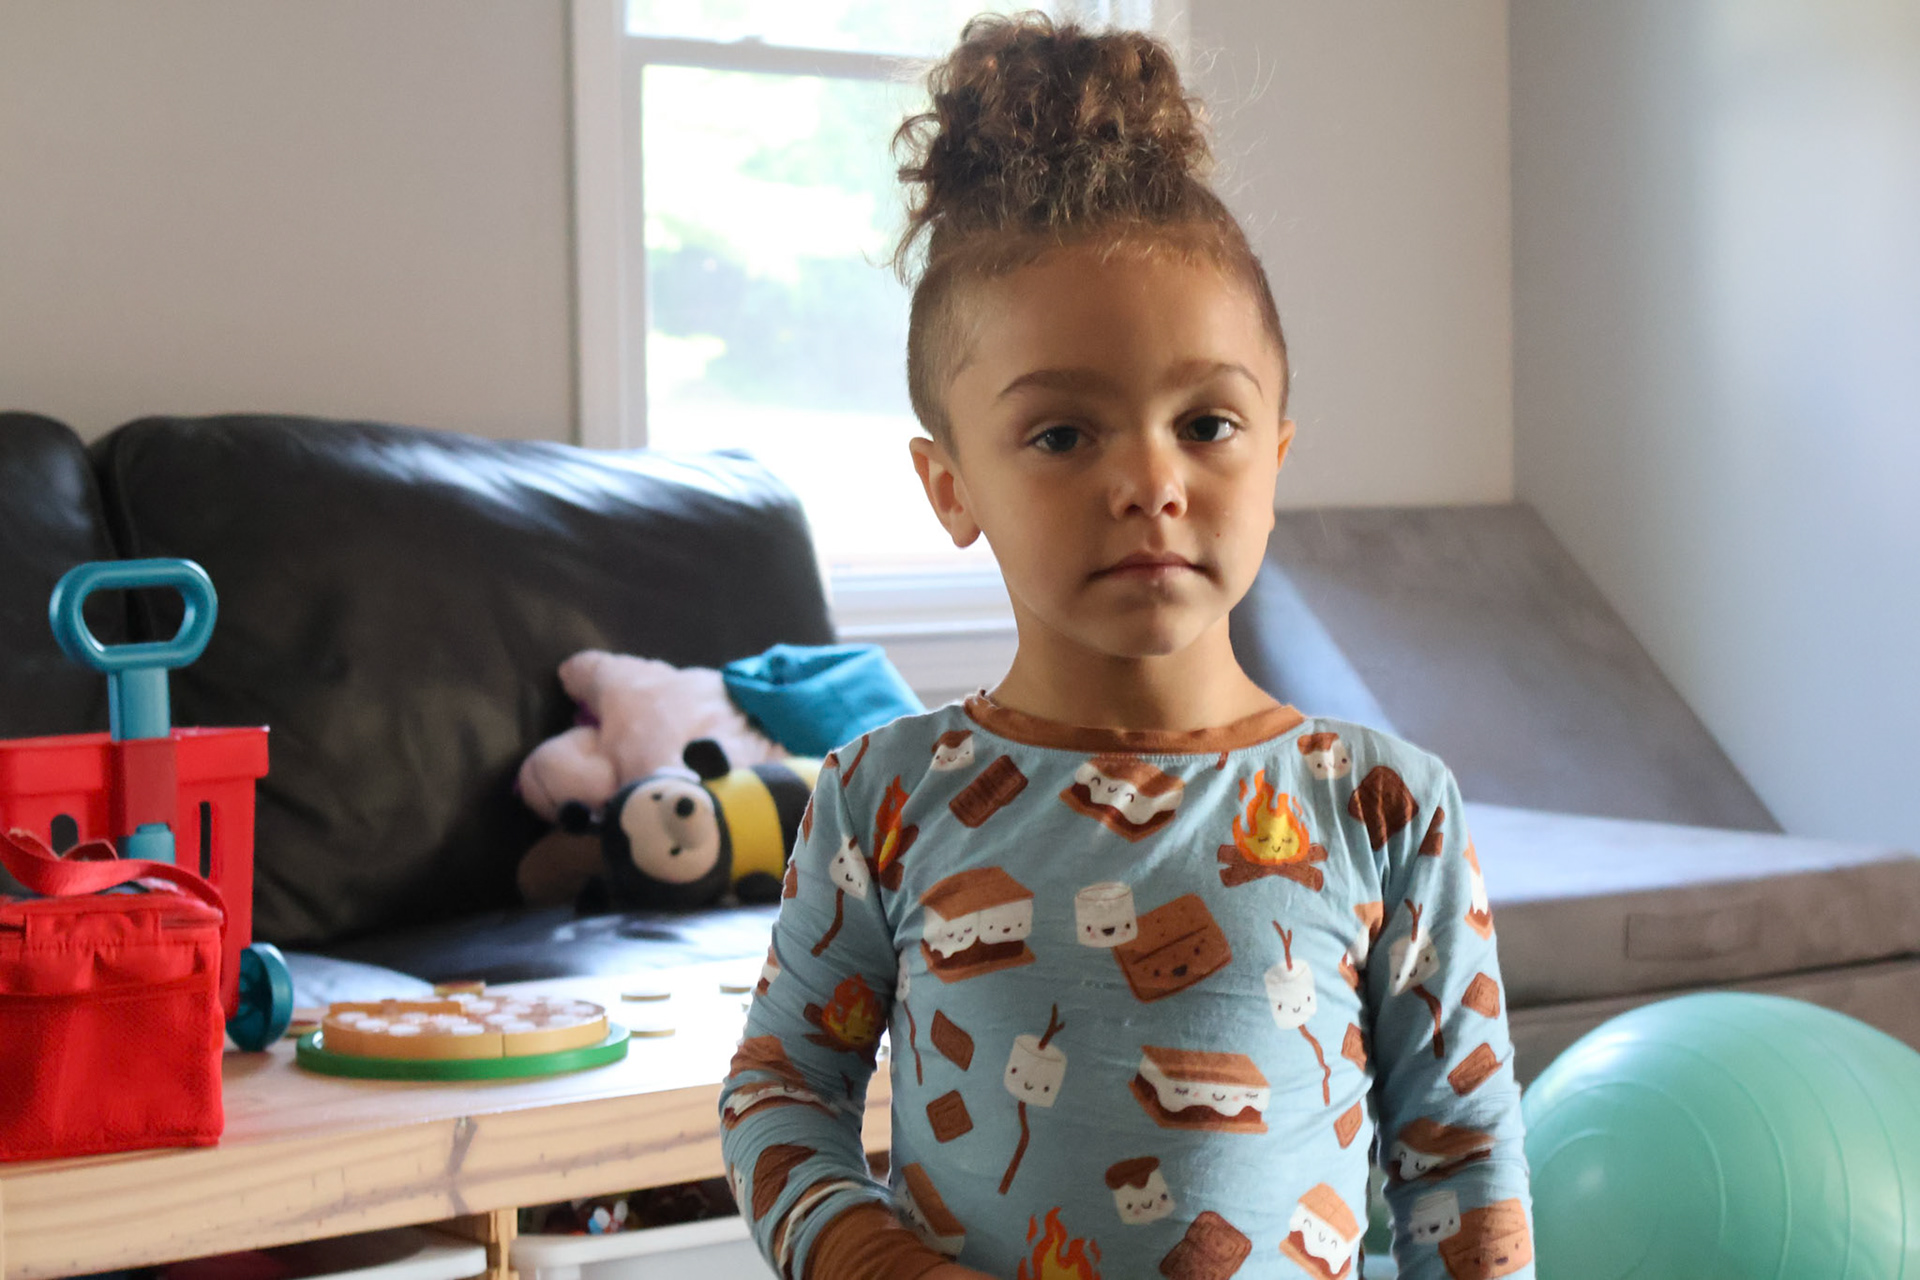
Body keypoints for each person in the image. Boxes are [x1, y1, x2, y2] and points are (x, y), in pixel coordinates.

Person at [718, 13, 1534, 1279]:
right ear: (951, 486)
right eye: (1061, 434)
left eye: (1207, 422)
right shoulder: (883, 799)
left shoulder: (1386, 809)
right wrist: (874, 1259)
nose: (1151, 479)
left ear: (1276, 457)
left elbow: (1463, 1164)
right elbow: (779, 1089)